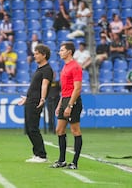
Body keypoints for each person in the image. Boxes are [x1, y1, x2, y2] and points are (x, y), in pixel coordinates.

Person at [17, 44, 53, 163]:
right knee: (29, 129)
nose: (35, 55)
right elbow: (35, 87)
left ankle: (41, 155)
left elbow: (44, 85)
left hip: (36, 101)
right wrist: (27, 98)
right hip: (31, 100)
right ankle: (37, 153)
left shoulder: (47, 69)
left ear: (44, 55)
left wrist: (42, 99)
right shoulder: (39, 69)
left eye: (37, 53)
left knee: (33, 128)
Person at [50, 42, 83, 170]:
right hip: (65, 100)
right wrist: (60, 104)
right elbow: (65, 89)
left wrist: (69, 105)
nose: (60, 52)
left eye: (62, 50)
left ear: (69, 52)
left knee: (75, 130)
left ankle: (74, 162)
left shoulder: (75, 67)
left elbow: (77, 88)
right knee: (59, 130)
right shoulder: (65, 67)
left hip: (72, 101)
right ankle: (62, 160)